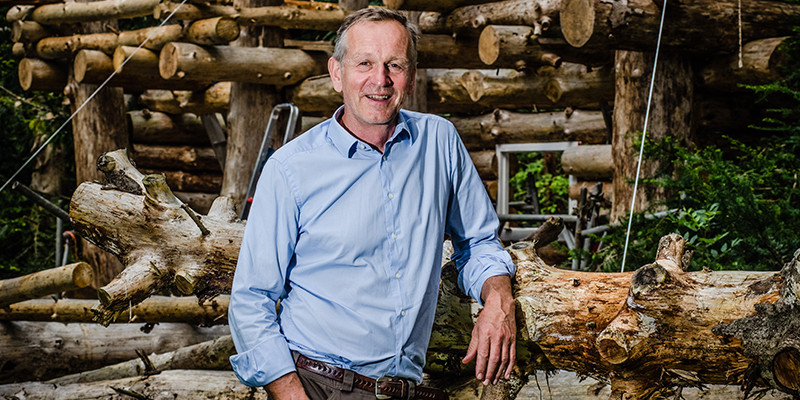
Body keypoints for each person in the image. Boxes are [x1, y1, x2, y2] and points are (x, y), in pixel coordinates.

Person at [229, 8, 517, 400]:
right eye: (364, 63)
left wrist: (498, 300)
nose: (380, 80)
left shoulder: (440, 143)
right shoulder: (289, 169)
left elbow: (479, 242)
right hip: (317, 385)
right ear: (337, 73)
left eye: (394, 65)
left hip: (406, 389)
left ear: (411, 76)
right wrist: (290, 393)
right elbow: (251, 300)